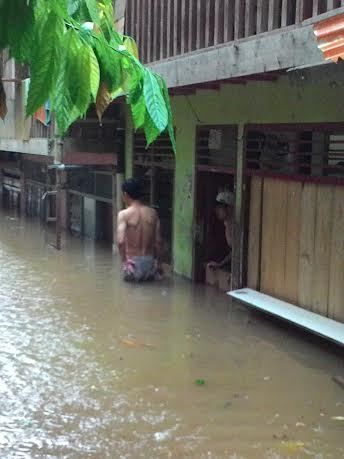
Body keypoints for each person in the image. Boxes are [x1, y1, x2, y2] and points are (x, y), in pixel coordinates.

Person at [117, 178, 162, 282]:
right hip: (149, 262)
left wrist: (124, 261)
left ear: (125, 194)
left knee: (129, 296)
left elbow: (120, 241)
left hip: (132, 263)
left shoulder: (124, 215)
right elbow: (159, 241)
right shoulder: (153, 213)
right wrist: (159, 264)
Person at [207, 191, 234, 272]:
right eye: (216, 208)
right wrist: (220, 264)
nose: (216, 211)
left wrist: (221, 264)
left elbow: (237, 252)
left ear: (229, 208)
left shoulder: (235, 227)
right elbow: (234, 252)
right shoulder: (227, 224)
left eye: (219, 208)